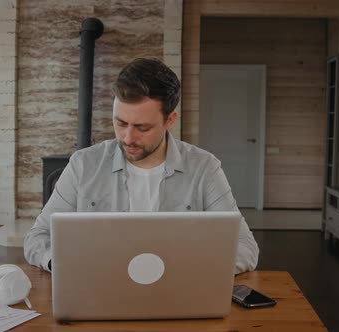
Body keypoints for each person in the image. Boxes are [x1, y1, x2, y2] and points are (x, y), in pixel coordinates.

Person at [24, 58, 259, 274]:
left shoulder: (204, 168)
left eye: (142, 128)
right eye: (120, 123)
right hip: (99, 291)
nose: (127, 138)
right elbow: (38, 237)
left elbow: (245, 246)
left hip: (178, 292)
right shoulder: (83, 165)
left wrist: (191, 268)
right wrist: (63, 264)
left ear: (169, 120)